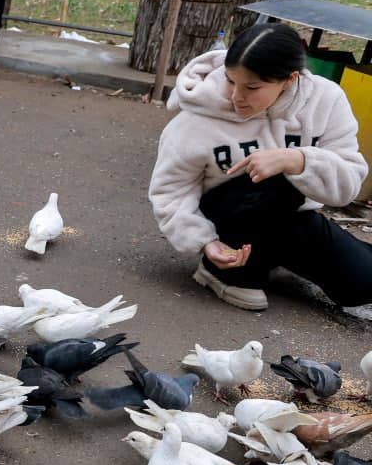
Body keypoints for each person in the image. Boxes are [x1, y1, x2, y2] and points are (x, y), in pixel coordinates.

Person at [149, 23, 371, 313]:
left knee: (363, 283)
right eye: (230, 80)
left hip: (295, 217)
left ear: (289, 79)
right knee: (271, 184)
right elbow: (171, 190)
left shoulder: (326, 100)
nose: (235, 96)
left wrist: (297, 160)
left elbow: (349, 184)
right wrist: (204, 241)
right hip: (228, 218)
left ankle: (275, 257)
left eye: (251, 88)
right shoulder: (195, 117)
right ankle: (222, 273)